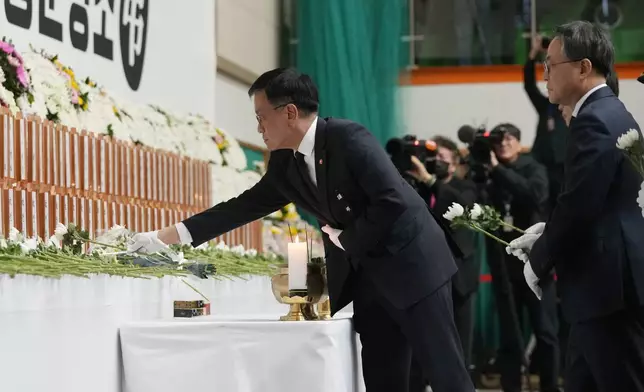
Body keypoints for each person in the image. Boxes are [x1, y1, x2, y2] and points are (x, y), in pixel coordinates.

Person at [128, 68, 476, 392]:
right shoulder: (286, 163)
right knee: (383, 377)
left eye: (261, 117)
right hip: (369, 275)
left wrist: (345, 239)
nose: (259, 128)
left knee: (445, 374)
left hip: (413, 266)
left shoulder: (347, 138)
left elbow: (393, 202)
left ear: (289, 112)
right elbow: (239, 208)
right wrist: (163, 238)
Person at [507, 21, 644, 392]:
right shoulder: (611, 111)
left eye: (551, 64)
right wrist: (546, 231)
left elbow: (580, 206)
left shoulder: (595, 120)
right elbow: (595, 199)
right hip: (601, 281)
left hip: (605, 285)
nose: (545, 74)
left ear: (583, 68)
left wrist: (539, 260)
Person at [485, 124, 560, 392]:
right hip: (505, 268)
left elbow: (534, 195)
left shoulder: (533, 167)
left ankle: (550, 387)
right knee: (509, 337)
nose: (503, 144)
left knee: (546, 334)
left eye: (509, 139)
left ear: (518, 142)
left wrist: (498, 171)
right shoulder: (487, 173)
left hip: (535, 266)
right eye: (498, 140)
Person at [406, 136, 479, 388]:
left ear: (454, 163)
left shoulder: (465, 186)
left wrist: (431, 180)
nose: (436, 163)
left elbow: (462, 208)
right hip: (425, 280)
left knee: (459, 348)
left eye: (442, 159)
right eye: (433, 158)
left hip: (460, 281)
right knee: (421, 348)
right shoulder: (418, 187)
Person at [524, 35, 568, 216]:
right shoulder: (545, 106)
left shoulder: (570, 106)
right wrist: (533, 54)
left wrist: (558, 55)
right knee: (542, 209)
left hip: (564, 165)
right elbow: (529, 86)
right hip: (541, 163)